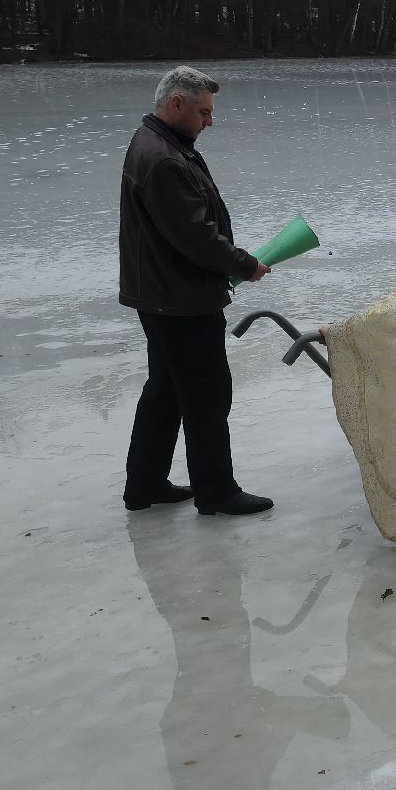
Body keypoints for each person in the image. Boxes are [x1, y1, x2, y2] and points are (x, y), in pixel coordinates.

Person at [119, 65, 275, 516]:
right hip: (181, 300)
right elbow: (196, 238)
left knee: (167, 388)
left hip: (161, 292)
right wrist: (245, 265)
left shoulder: (156, 142)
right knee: (207, 394)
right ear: (176, 104)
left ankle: (144, 484)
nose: (210, 121)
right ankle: (217, 492)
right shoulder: (165, 159)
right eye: (204, 112)